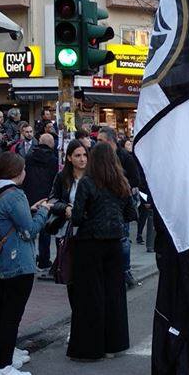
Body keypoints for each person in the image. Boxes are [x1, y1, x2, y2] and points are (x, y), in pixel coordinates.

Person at [0, 152, 50, 375]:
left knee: (4, 311)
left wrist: (29, 209)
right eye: (24, 168)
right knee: (12, 315)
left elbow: (8, 219)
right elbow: (29, 230)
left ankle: (6, 353)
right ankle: (5, 368)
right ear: (17, 172)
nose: (26, 172)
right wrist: (44, 212)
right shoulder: (14, 194)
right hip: (17, 263)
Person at [68, 143, 134, 360]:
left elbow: (77, 216)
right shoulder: (121, 182)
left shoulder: (87, 182)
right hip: (115, 242)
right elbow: (130, 212)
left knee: (90, 295)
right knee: (114, 294)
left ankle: (90, 347)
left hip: (90, 242)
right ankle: (113, 344)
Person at [97, 126, 139, 287]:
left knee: (123, 239)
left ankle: (125, 271)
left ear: (110, 141)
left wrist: (121, 187)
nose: (97, 143)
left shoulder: (125, 157)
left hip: (120, 205)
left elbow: (136, 179)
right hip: (103, 206)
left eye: (100, 140)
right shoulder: (97, 157)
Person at [47, 139, 88, 306]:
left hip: (87, 232)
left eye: (85, 155)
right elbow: (52, 200)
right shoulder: (62, 176)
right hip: (66, 231)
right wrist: (65, 208)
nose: (82, 159)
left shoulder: (92, 176)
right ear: (69, 158)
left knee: (85, 277)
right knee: (70, 274)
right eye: (77, 155)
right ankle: (76, 315)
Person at [22, 133, 58, 275]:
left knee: (28, 229)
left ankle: (29, 258)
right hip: (46, 198)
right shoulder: (53, 160)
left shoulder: (29, 157)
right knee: (45, 231)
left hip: (30, 197)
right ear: (51, 144)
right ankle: (44, 259)